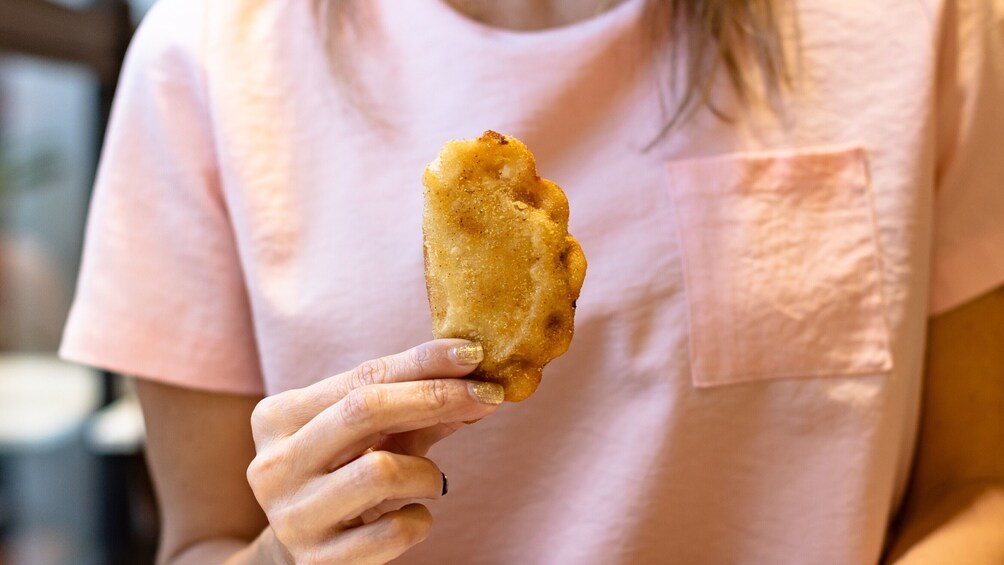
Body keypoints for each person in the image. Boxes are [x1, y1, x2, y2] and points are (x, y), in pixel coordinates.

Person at [60, 0, 1004, 563]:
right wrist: (283, 556)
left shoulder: (924, 23)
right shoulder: (207, 56)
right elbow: (203, 540)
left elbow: (975, 486)